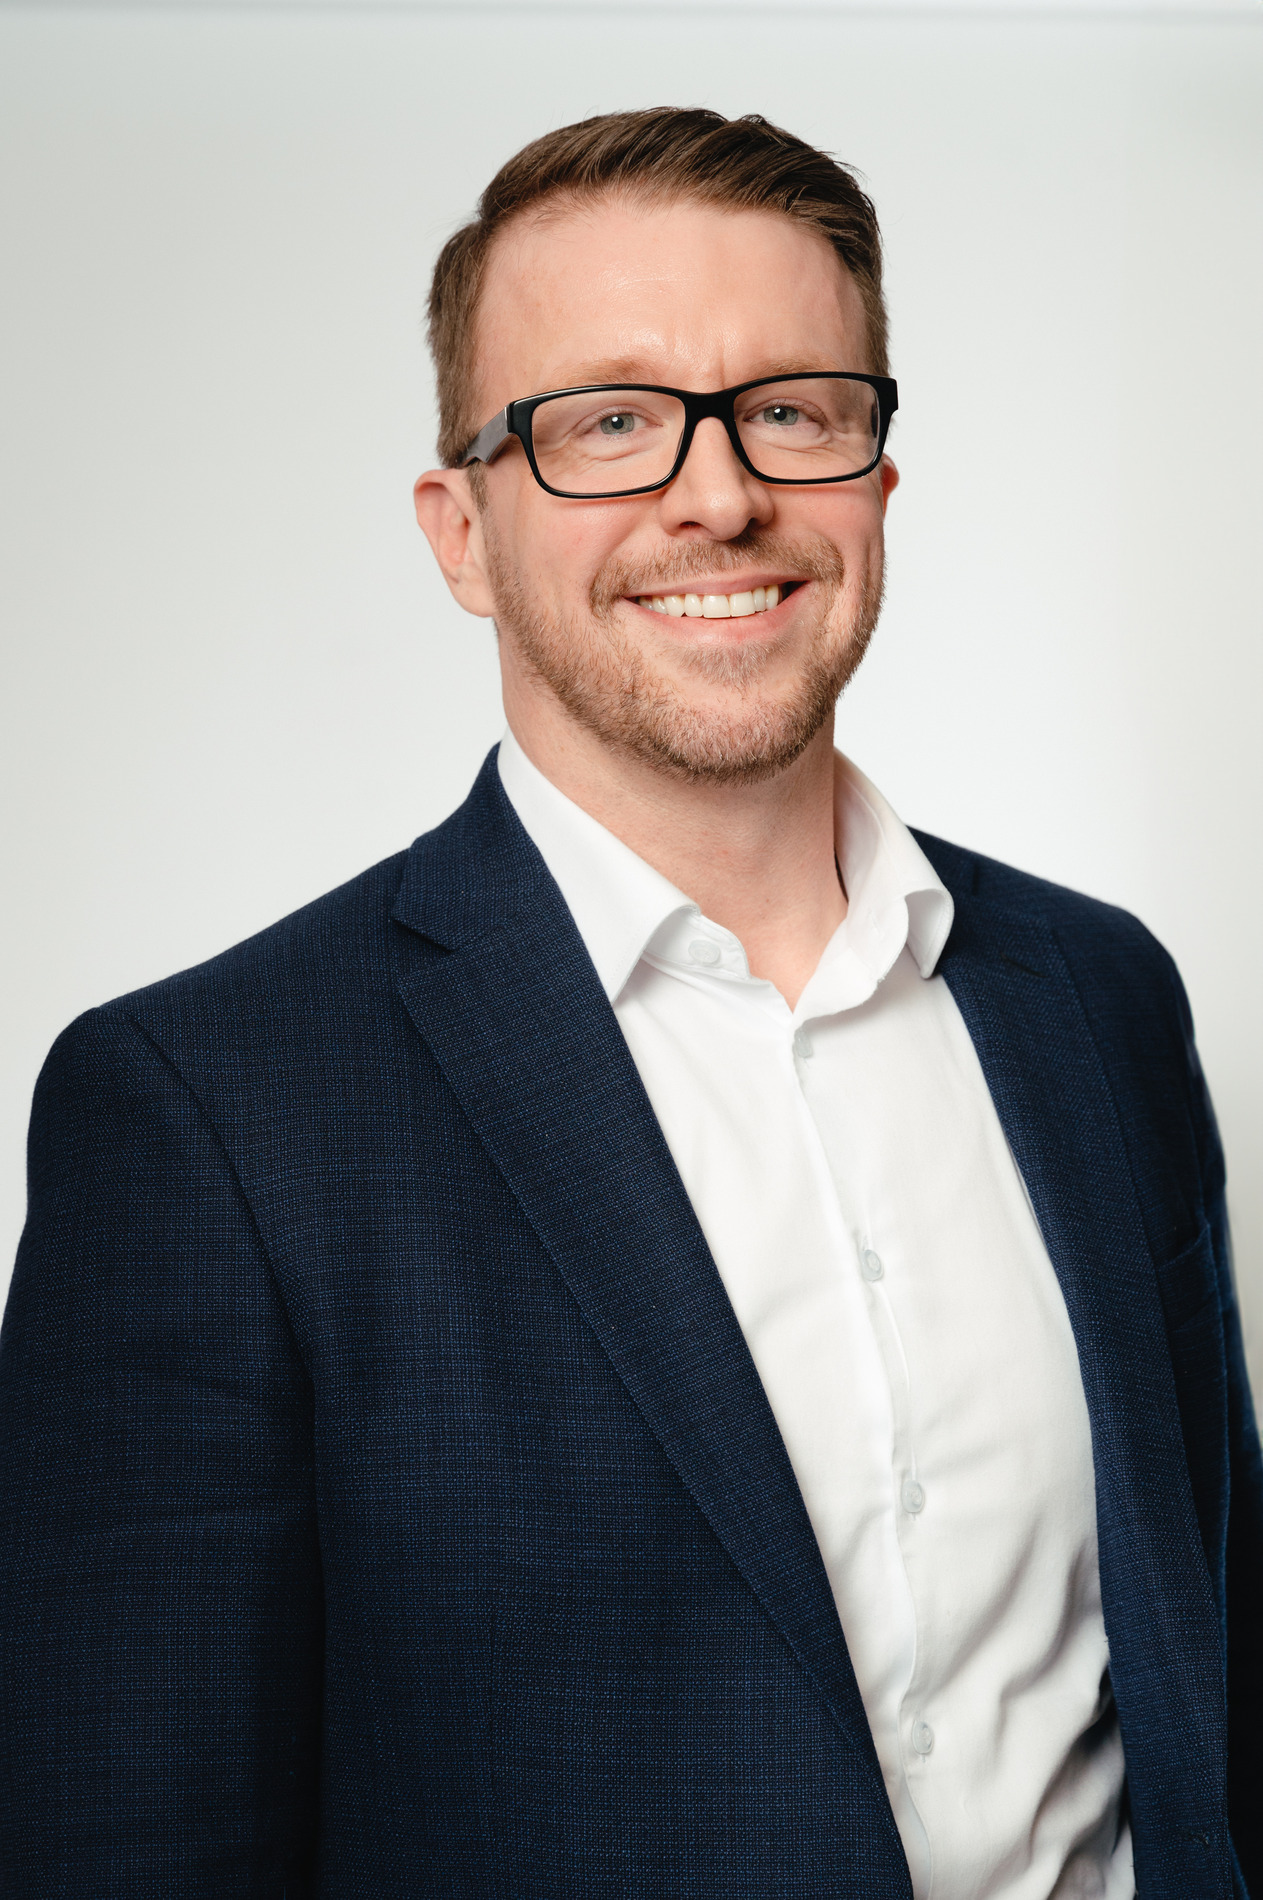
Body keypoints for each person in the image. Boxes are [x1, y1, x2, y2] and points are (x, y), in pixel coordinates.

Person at [0, 106, 1258, 1900]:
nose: (719, 492)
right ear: (461, 532)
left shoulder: (1099, 1003)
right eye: (607, 422)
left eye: (792, 412)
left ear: (878, 481)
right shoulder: (210, 1112)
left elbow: (1209, 1690)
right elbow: (130, 1847)